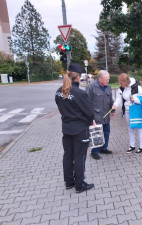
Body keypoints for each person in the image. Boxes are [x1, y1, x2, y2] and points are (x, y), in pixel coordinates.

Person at [55, 63, 95, 193]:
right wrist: (89, 122)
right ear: (78, 77)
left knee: (68, 155)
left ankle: (69, 182)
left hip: (66, 129)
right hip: (80, 130)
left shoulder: (58, 92)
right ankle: (80, 184)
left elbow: (61, 109)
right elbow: (90, 113)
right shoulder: (80, 93)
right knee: (79, 156)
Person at [112, 73, 142, 154]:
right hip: (127, 110)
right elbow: (119, 99)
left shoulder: (136, 87)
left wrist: (135, 99)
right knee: (130, 128)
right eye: (119, 83)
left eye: (121, 83)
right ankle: (132, 146)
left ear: (126, 81)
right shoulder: (121, 89)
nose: (120, 85)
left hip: (136, 109)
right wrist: (115, 105)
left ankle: (141, 147)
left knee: (139, 128)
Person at [86, 70, 115, 160]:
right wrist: (89, 115)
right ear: (100, 78)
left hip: (106, 114)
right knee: (96, 134)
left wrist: (112, 110)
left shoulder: (108, 87)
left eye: (108, 79)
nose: (108, 81)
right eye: (107, 79)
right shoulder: (91, 87)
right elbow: (86, 102)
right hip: (96, 115)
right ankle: (94, 152)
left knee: (106, 132)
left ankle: (103, 148)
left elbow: (110, 99)